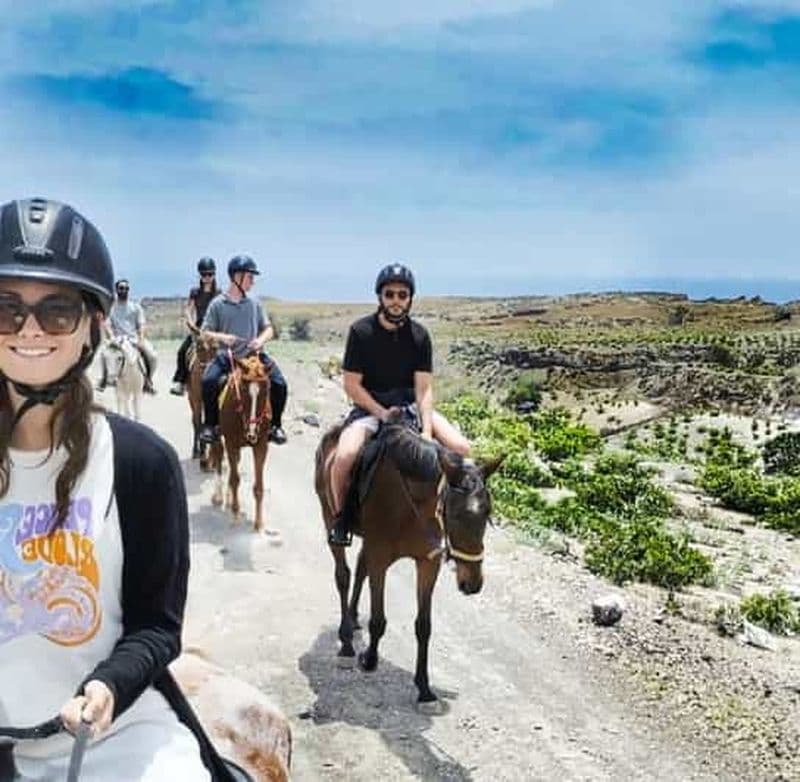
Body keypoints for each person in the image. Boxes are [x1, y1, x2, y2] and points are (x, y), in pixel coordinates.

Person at [0, 197, 212, 779]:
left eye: (58, 311)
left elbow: (157, 625)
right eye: (6, 309)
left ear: (92, 324)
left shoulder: (143, 465)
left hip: (113, 738)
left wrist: (108, 686)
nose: (30, 330)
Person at [327, 263, 471, 546]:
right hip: (371, 409)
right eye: (390, 294)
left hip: (409, 407)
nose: (396, 300)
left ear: (410, 298)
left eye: (402, 295)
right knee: (344, 458)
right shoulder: (361, 332)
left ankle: (459, 523)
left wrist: (427, 432)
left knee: (463, 449)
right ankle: (341, 518)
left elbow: (424, 388)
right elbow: (352, 385)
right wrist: (381, 412)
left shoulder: (419, 336)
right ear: (380, 297)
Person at [198, 255, 288, 445]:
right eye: (249, 277)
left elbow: (269, 329)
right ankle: (210, 426)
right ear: (236, 277)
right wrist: (223, 338)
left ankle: (275, 426)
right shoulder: (217, 304)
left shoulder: (254, 303)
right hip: (227, 357)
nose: (253, 282)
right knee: (208, 380)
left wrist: (259, 340)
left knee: (280, 383)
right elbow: (204, 333)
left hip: (254, 357)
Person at [97, 279, 157, 394]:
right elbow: (107, 325)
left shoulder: (136, 307)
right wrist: (112, 338)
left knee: (153, 356)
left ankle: (148, 380)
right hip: (117, 339)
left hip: (133, 338)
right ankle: (104, 379)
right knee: (104, 354)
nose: (124, 290)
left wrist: (141, 339)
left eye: (126, 288)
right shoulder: (111, 308)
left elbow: (141, 325)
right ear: (116, 290)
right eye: (121, 288)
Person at [170, 257, 219, 396]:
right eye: (204, 274)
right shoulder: (195, 292)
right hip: (198, 328)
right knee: (182, 351)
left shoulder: (219, 293)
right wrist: (191, 323)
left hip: (215, 330)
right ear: (200, 275)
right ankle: (180, 382)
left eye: (210, 274)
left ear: (214, 275)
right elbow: (189, 309)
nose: (207, 277)